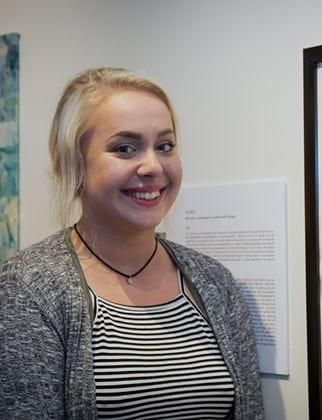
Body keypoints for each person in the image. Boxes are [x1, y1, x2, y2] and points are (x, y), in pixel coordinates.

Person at [0, 67, 264, 419]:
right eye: (125, 148)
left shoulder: (214, 282)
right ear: (74, 165)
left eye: (165, 146)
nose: (153, 165)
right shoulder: (28, 288)